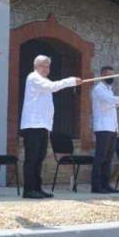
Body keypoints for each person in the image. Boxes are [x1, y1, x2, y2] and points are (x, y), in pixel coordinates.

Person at [20, 55, 81, 199]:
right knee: (32, 158)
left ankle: (37, 188)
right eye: (43, 65)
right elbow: (52, 87)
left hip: (42, 126)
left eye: (48, 66)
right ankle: (28, 190)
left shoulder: (44, 80)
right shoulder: (33, 77)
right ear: (36, 66)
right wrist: (71, 81)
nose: (46, 69)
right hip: (32, 125)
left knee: (39, 158)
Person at [91, 66, 119, 194]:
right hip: (102, 128)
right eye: (109, 75)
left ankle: (105, 184)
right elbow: (111, 101)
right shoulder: (99, 89)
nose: (111, 78)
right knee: (100, 157)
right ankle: (96, 186)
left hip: (111, 128)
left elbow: (112, 104)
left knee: (109, 158)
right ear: (102, 75)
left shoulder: (109, 89)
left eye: (113, 75)